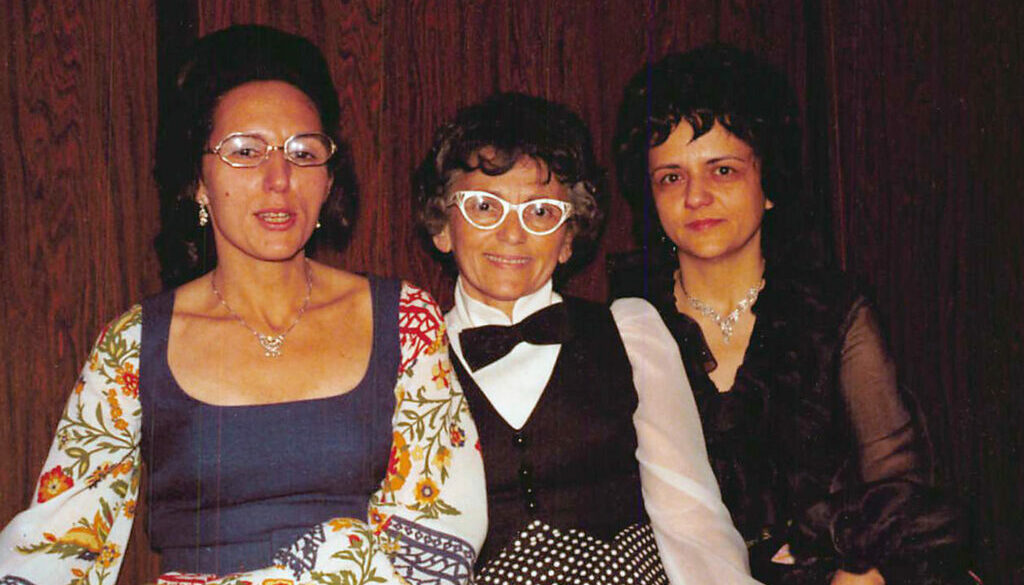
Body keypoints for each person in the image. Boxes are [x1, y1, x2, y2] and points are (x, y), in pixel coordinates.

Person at [0, 25, 485, 585]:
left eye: (303, 153)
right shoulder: (134, 346)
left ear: (329, 180)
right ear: (199, 182)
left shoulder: (405, 320)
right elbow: (58, 546)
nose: (279, 180)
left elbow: (444, 532)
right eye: (246, 152)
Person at [611, 45, 970, 585]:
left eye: (723, 170)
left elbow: (901, 489)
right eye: (671, 177)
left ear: (768, 183)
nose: (696, 197)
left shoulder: (833, 311)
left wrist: (862, 571)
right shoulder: (626, 325)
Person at [414, 92, 757, 585]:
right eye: (484, 207)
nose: (512, 234)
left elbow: (692, 521)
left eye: (540, 213)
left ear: (570, 237)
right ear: (442, 226)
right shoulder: (413, 360)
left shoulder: (629, 334)